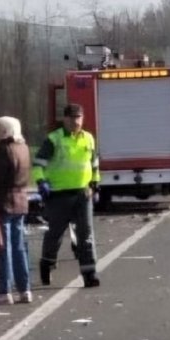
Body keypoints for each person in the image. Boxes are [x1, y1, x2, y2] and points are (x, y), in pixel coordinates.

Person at [33, 103, 101, 288]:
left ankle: (89, 274)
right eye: (72, 118)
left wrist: (95, 183)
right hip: (58, 195)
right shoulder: (54, 139)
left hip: (82, 193)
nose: (75, 122)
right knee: (55, 234)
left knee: (85, 235)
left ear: (83, 118)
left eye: (78, 118)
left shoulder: (88, 138)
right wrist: (41, 182)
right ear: (65, 119)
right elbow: (38, 164)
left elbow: (94, 163)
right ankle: (47, 263)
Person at [0, 116, 33, 304]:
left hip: (5, 201)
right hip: (21, 200)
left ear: (5, 130)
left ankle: (5, 289)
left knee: (3, 247)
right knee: (19, 246)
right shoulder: (23, 147)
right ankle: (24, 288)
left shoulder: (3, 150)